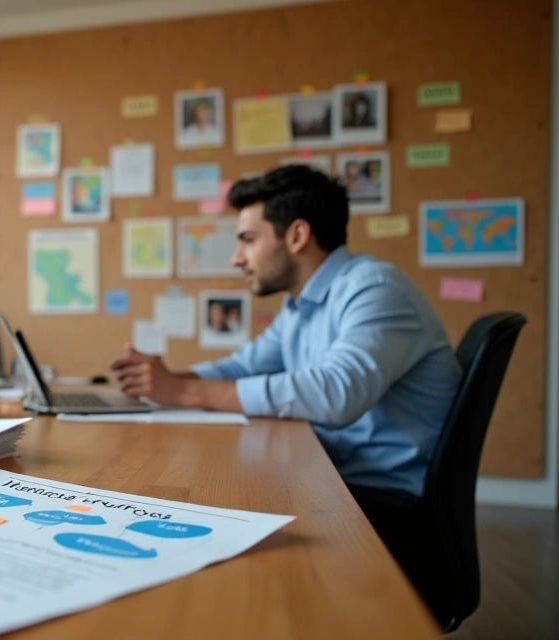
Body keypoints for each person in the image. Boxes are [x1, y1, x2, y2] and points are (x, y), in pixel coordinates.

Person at [107, 164, 462, 620]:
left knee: (207, 505)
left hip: (377, 500)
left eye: (248, 240)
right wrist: (165, 381)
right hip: (335, 476)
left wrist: (185, 393)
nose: (237, 257)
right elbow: (242, 366)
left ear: (296, 236)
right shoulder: (302, 305)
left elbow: (335, 394)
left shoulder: (374, 289)